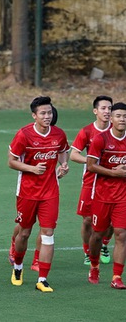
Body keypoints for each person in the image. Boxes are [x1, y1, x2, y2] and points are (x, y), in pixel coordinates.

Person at [8, 96, 69, 293]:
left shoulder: (59, 134)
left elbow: (63, 151)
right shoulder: (24, 135)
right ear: (34, 115)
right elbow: (12, 161)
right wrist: (32, 169)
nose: (47, 116)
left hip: (50, 192)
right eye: (42, 113)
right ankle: (18, 266)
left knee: (48, 235)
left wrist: (64, 164)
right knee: (24, 232)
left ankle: (42, 279)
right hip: (27, 192)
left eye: (49, 113)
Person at [86, 102, 126, 289]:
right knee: (97, 235)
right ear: (111, 118)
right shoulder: (100, 139)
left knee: (121, 234)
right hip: (101, 195)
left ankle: (116, 277)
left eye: (125, 116)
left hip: (123, 196)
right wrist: (113, 172)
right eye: (118, 115)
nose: (122, 119)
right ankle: (94, 265)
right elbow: (91, 165)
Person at [70, 96, 114, 265]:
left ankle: (104, 244)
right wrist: (91, 162)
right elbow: (73, 155)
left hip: (113, 182)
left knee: (111, 221)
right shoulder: (87, 131)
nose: (107, 111)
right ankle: (88, 251)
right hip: (91, 181)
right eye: (103, 108)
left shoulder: (117, 130)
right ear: (95, 111)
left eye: (109, 108)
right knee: (87, 219)